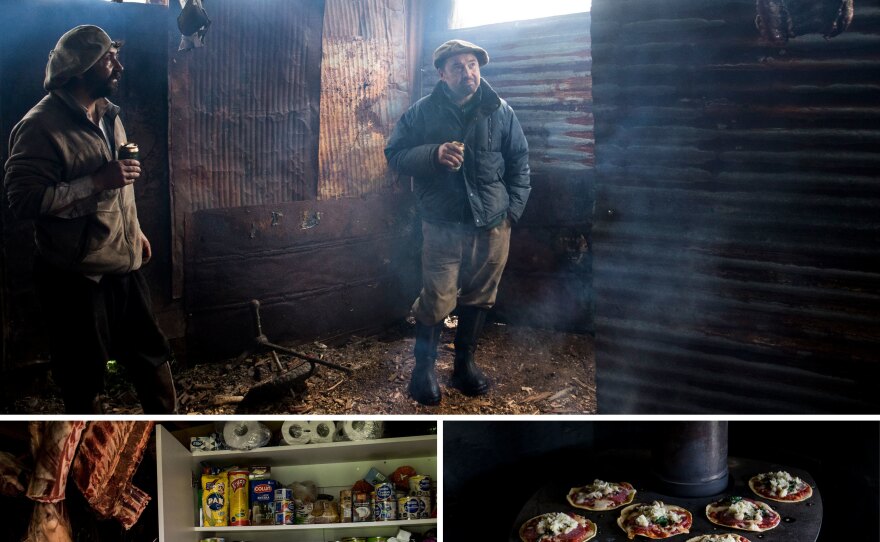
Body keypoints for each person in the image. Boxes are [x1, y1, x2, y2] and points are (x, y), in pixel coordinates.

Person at [4, 25, 177, 413]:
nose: (119, 65)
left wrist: (133, 231)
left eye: (115, 56)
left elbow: (120, 185)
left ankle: (169, 432)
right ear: (81, 68)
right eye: (108, 59)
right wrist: (96, 181)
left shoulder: (107, 114)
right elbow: (23, 201)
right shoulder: (39, 126)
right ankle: (90, 454)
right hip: (75, 276)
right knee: (82, 374)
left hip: (122, 263)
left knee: (152, 355)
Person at [385, 39, 530, 405]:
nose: (468, 73)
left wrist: (511, 212)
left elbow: (520, 163)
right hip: (443, 222)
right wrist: (432, 154)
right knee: (436, 297)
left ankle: (464, 365)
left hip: (493, 222)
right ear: (442, 74)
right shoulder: (422, 112)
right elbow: (395, 154)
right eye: (458, 67)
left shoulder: (501, 110)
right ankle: (423, 371)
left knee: (481, 295)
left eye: (472, 65)